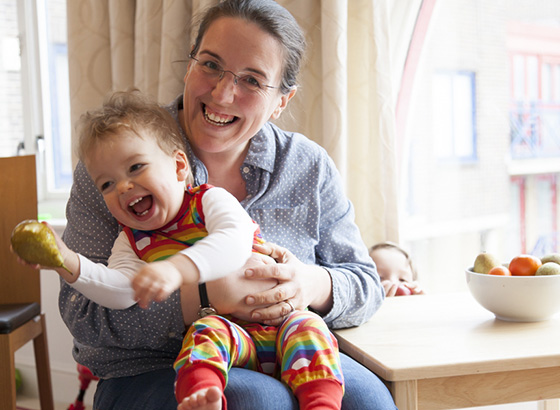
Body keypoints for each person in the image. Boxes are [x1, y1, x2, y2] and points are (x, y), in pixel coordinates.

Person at [60, 0, 396, 409]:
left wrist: (307, 284)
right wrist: (206, 296)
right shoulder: (116, 165)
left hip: (288, 344)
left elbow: (363, 282)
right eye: (211, 65)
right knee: (257, 401)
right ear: (189, 66)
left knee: (370, 400)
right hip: (151, 368)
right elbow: (85, 316)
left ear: (281, 101)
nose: (222, 93)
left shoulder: (307, 166)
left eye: (252, 80)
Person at [18, 90, 344, 410]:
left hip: (282, 327)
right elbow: (121, 291)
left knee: (311, 330)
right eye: (107, 184)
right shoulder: (131, 244)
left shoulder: (207, 201)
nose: (123, 187)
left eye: (135, 168)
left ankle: (321, 404)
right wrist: (68, 263)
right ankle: (200, 395)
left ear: (178, 167)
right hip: (230, 337)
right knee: (203, 334)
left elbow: (234, 241)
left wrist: (176, 270)